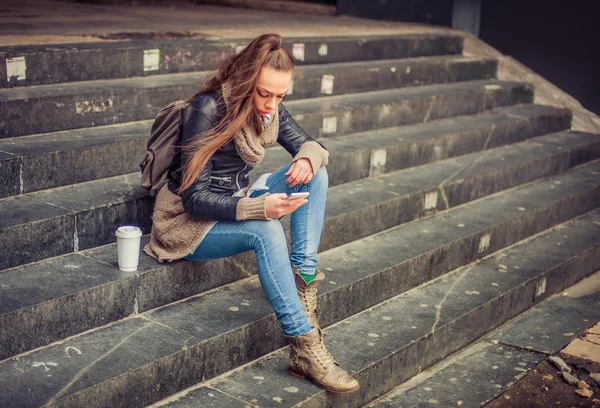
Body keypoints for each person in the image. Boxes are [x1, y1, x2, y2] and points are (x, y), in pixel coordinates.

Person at [144, 33, 359, 393]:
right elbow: (195, 197)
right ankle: (305, 347)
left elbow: (311, 145)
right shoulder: (207, 109)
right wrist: (260, 207)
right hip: (187, 221)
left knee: (315, 173)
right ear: (247, 80)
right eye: (264, 93)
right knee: (267, 230)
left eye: (280, 96)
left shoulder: (270, 108)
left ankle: (303, 285)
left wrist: (307, 156)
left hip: (235, 198)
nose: (271, 104)